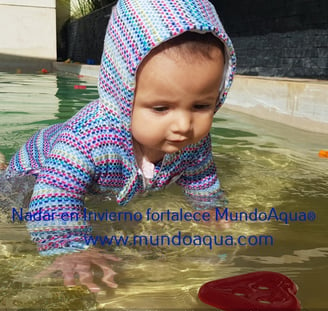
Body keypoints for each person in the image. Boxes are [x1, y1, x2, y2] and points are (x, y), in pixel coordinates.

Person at [3, 0, 236, 291]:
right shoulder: (89, 140)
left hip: (91, 179)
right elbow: (54, 194)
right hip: (36, 169)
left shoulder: (193, 142)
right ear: (122, 93)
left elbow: (201, 176)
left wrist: (211, 208)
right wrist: (71, 247)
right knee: (13, 201)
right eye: (161, 108)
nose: (184, 125)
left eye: (201, 105)